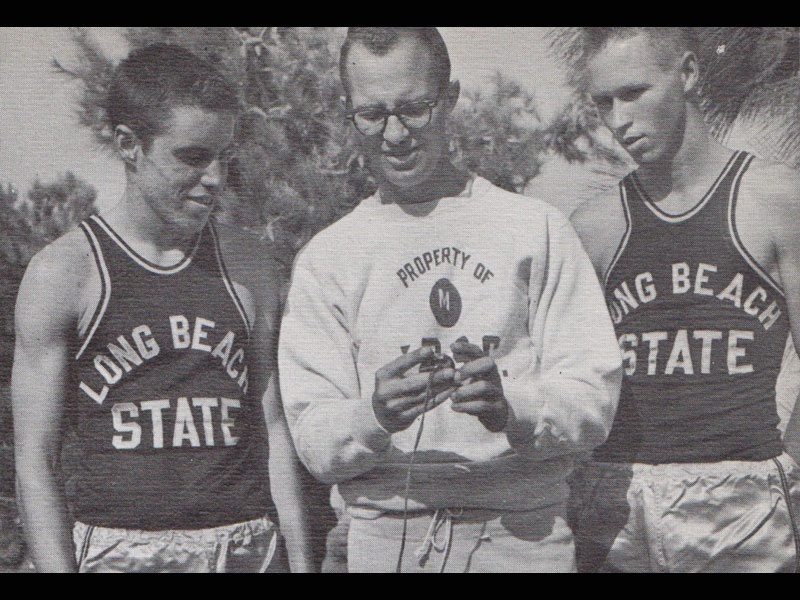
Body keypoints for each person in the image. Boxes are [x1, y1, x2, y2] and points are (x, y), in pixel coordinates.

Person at [278, 27, 622, 573]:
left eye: (414, 109)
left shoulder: (535, 228)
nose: (394, 133)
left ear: (452, 98)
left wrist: (515, 409)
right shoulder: (328, 257)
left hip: (521, 537)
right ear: (349, 113)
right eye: (371, 114)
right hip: (384, 539)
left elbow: (594, 395)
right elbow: (313, 437)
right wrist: (374, 415)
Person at [12, 44, 313, 573]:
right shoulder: (65, 272)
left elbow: (273, 428)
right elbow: (34, 463)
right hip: (119, 551)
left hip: (242, 546)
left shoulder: (249, 265)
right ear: (129, 145)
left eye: (224, 156)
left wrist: (302, 563)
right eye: (193, 157)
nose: (215, 177)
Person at [567, 27, 800, 572]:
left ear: (689, 74)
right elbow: (573, 379)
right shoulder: (594, 227)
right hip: (618, 499)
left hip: (744, 502)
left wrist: (789, 472)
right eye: (604, 102)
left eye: (634, 92)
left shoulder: (774, 198)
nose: (619, 120)